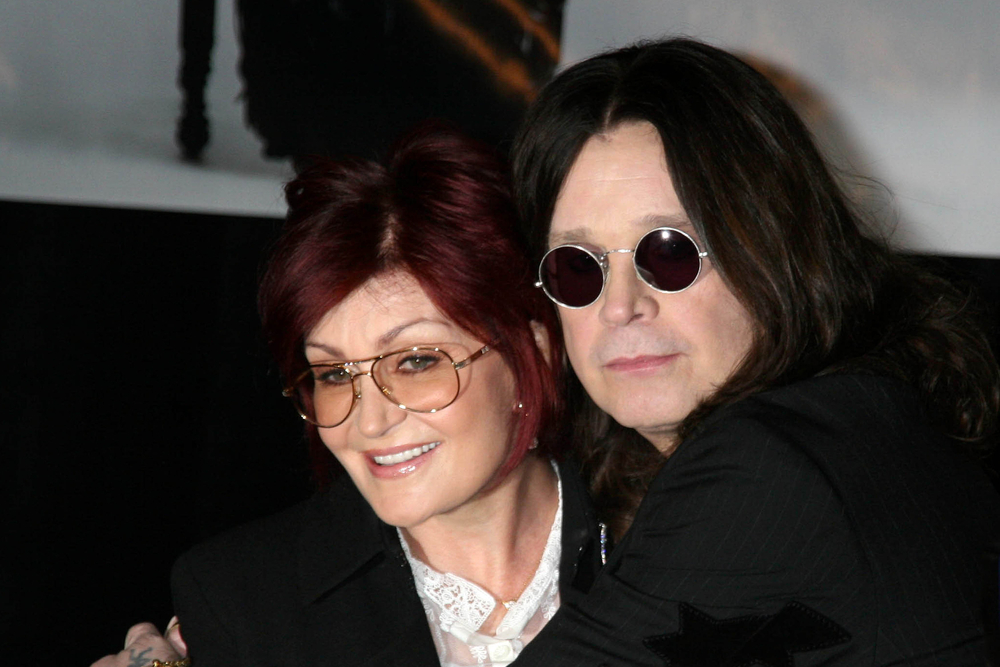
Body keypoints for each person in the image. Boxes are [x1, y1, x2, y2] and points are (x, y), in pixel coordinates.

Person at [510, 37, 1000, 666]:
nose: (619, 306)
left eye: (668, 251)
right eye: (578, 268)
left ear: (774, 247)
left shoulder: (774, 465)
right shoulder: (861, 419)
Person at [92, 124, 604, 667]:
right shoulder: (244, 599)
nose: (369, 421)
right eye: (334, 374)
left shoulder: (673, 537)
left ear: (538, 351)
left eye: (415, 362)